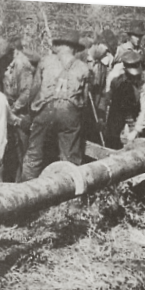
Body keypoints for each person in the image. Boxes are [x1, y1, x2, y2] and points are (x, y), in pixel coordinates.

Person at [21, 30, 89, 182]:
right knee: (69, 157)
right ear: (74, 48)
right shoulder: (83, 68)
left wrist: (30, 113)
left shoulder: (46, 61)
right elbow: (84, 101)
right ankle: (68, 192)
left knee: (34, 153)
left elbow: (34, 90)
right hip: (69, 112)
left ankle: (25, 190)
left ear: (60, 46)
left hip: (45, 109)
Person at [0, 37, 34, 182]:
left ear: (9, 54)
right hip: (8, 108)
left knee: (23, 150)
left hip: (21, 112)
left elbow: (27, 93)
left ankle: (22, 184)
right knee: (5, 146)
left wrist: (12, 110)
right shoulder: (3, 63)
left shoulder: (22, 64)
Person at [98, 51, 145, 150]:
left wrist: (135, 131)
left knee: (139, 141)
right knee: (112, 139)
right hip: (118, 107)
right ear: (125, 69)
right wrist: (101, 117)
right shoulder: (114, 76)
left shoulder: (144, 80)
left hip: (135, 107)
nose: (134, 78)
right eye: (131, 76)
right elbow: (106, 98)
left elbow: (144, 108)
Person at [77, 30, 118, 144]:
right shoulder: (80, 57)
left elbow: (103, 90)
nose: (107, 54)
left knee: (96, 131)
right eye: (105, 50)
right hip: (80, 105)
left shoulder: (104, 62)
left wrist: (101, 114)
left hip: (96, 104)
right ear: (96, 45)